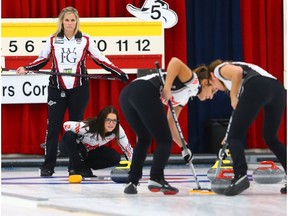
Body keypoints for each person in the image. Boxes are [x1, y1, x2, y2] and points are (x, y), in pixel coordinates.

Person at [16, 6, 129, 177]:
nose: (69, 23)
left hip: (79, 88)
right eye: (67, 20)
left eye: (72, 20)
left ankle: (74, 166)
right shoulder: (53, 39)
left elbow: (101, 59)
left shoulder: (85, 40)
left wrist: (118, 72)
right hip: (56, 88)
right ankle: (48, 166)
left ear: (77, 22)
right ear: (61, 22)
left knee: (75, 129)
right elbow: (41, 60)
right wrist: (26, 68)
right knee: (53, 128)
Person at [119, 57, 217, 195]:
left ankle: (132, 181)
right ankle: (156, 178)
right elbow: (175, 62)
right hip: (143, 90)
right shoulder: (194, 81)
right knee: (164, 141)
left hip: (127, 95)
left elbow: (171, 122)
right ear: (206, 82)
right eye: (213, 91)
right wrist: (166, 88)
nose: (211, 97)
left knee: (144, 137)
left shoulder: (185, 96)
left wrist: (184, 147)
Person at [208, 59, 287, 196]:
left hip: (258, 86)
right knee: (271, 138)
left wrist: (233, 97)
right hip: (278, 90)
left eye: (213, 88)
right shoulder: (237, 81)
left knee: (234, 137)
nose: (216, 90)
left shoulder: (219, 70)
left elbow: (237, 72)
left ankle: (240, 176)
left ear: (212, 77)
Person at [59, 105, 133, 177]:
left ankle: (84, 166)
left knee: (115, 157)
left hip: (88, 152)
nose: (111, 124)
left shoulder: (118, 130)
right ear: (102, 120)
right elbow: (66, 125)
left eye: (114, 121)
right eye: (108, 120)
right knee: (69, 135)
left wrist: (135, 169)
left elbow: (128, 149)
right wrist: (78, 138)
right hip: (71, 148)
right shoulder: (87, 127)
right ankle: (76, 166)